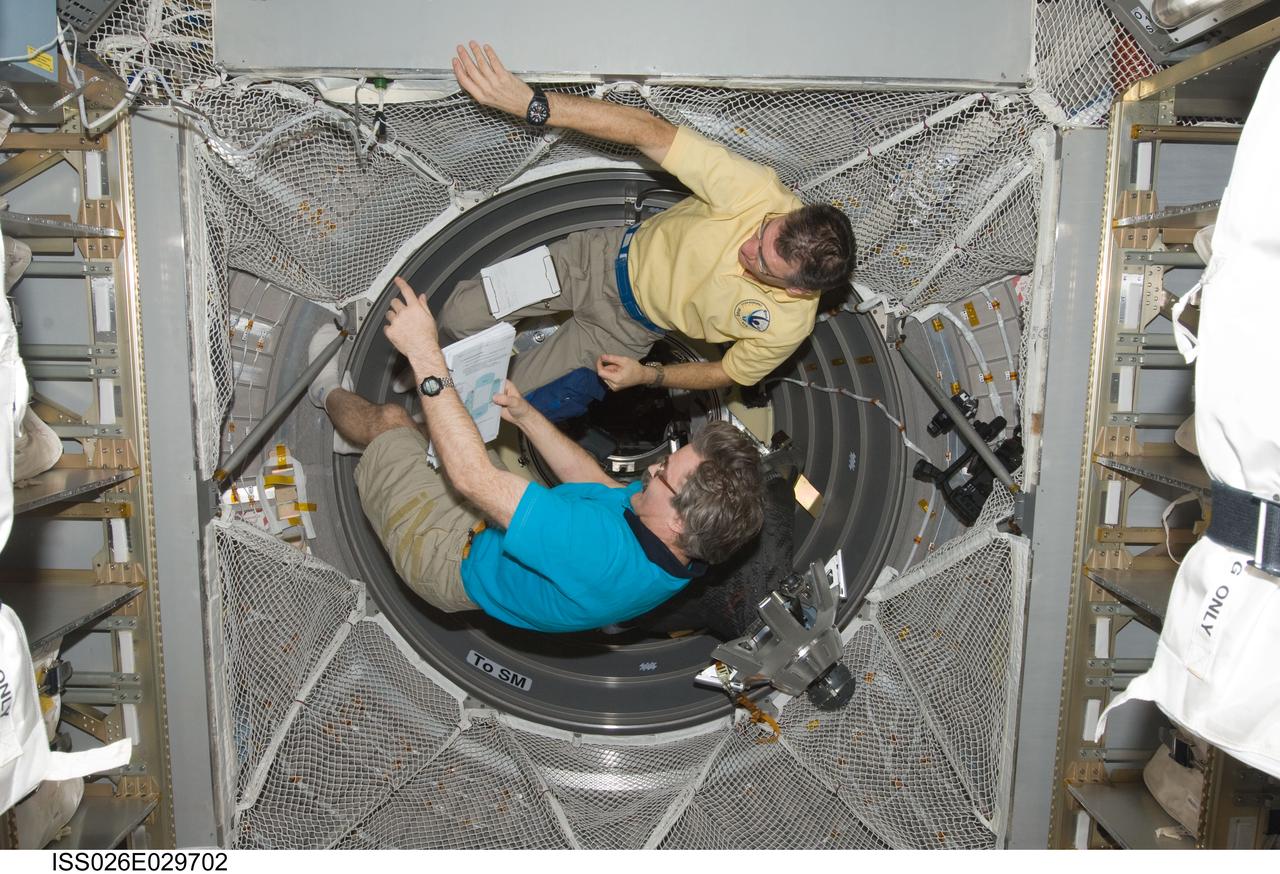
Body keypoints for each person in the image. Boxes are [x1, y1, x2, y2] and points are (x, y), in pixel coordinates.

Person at [309, 278, 766, 633]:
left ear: (680, 522)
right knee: (425, 434)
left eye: (665, 472)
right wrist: (528, 417)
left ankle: (324, 392)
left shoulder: (593, 552)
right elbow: (598, 486)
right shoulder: (676, 549)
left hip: (443, 551)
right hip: (489, 536)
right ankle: (366, 441)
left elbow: (471, 478)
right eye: (669, 457)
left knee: (393, 420)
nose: (653, 468)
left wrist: (425, 353)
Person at [440, 42, 856, 397]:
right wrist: (533, 104)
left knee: (505, 395)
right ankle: (432, 360)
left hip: (626, 332)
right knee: (458, 316)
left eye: (764, 264)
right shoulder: (756, 192)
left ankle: (434, 400)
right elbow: (649, 132)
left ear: (799, 290)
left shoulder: (787, 327)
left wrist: (650, 375)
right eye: (763, 231)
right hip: (595, 261)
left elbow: (727, 372)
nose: (748, 249)